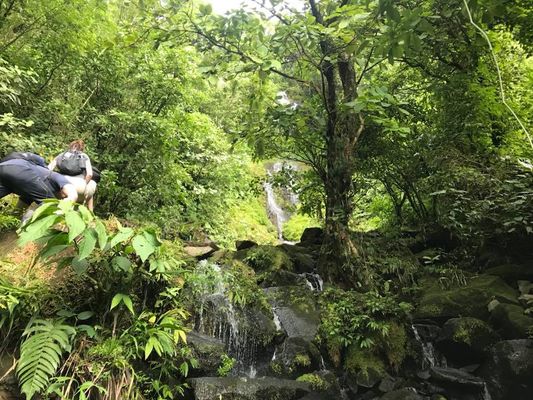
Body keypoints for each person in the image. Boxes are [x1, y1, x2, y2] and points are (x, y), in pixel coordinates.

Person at [0, 156, 78, 222]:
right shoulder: (59, 178)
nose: (61, 199)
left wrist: (16, 217)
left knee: (17, 215)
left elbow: (20, 208)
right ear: (62, 191)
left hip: (4, 167)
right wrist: (64, 207)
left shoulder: (34, 189)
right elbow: (73, 194)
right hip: (20, 168)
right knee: (51, 205)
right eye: (63, 197)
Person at [48, 139, 97, 211]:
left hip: (61, 184)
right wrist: (84, 185)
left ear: (70, 146)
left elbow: (48, 169)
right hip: (79, 186)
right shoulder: (84, 156)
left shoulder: (62, 155)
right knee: (92, 185)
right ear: (82, 148)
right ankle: (89, 214)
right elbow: (89, 174)